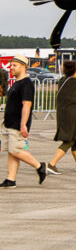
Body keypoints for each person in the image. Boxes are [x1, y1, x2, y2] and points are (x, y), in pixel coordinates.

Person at [1, 56, 47, 187]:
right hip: (9, 123)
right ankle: (11, 179)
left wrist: (23, 125)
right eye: (11, 65)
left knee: (16, 150)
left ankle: (39, 166)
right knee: (11, 151)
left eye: (14, 65)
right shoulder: (16, 82)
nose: (11, 68)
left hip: (17, 124)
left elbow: (27, 105)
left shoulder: (26, 84)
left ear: (23, 66)